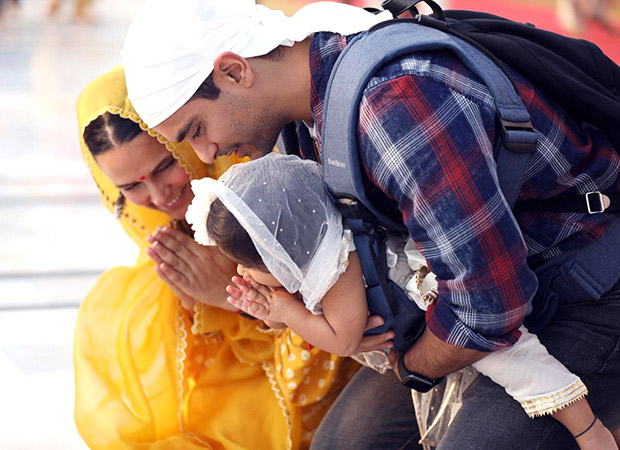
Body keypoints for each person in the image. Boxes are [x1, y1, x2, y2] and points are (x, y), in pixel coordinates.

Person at [120, 1, 620, 448]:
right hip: (493, 283)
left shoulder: (393, 107)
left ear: (233, 72)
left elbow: (489, 307)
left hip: (587, 277)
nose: (206, 155)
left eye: (198, 131)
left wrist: (408, 366)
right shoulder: (302, 110)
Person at [185, 151, 612, 449]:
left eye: (250, 265)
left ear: (285, 252)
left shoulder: (336, 272)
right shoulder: (315, 244)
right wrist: (271, 311)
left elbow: (343, 337)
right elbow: (302, 312)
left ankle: (590, 429)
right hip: (417, 335)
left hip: (448, 311)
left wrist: (283, 310)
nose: (242, 274)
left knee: (519, 364)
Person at [73, 65, 359, 449]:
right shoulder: (162, 239)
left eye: (164, 166)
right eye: (130, 188)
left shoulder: (264, 196)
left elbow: (323, 362)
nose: (159, 198)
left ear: (184, 138)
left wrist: (232, 300)